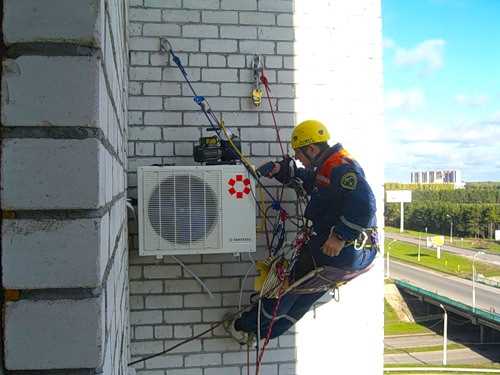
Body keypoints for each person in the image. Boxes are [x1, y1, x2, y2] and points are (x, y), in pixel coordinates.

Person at [224, 119, 378, 345]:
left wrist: (340, 236)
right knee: (303, 293)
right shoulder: (329, 167)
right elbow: (311, 181)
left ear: (312, 149)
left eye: (300, 154)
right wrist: (280, 170)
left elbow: (365, 203)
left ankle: (245, 326)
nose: (299, 159)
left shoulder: (341, 167)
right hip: (350, 256)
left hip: (342, 249)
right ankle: (262, 333)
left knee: (285, 286)